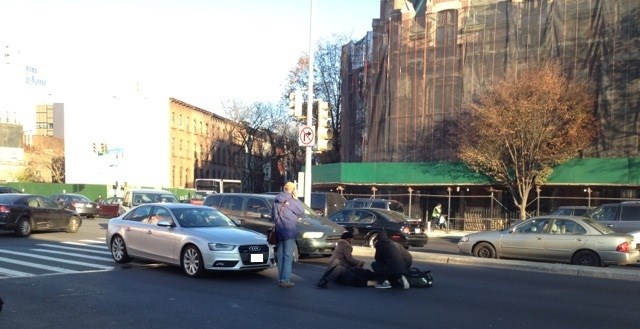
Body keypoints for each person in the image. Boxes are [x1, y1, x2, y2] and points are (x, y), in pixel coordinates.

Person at [273, 182, 304, 288]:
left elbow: (273, 215)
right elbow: (301, 211)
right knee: (288, 255)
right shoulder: (292, 200)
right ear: (293, 190)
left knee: (281, 255)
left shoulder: (277, 199)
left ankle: (280, 278)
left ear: (284, 188)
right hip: (289, 230)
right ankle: (285, 279)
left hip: (279, 230)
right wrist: (296, 199)